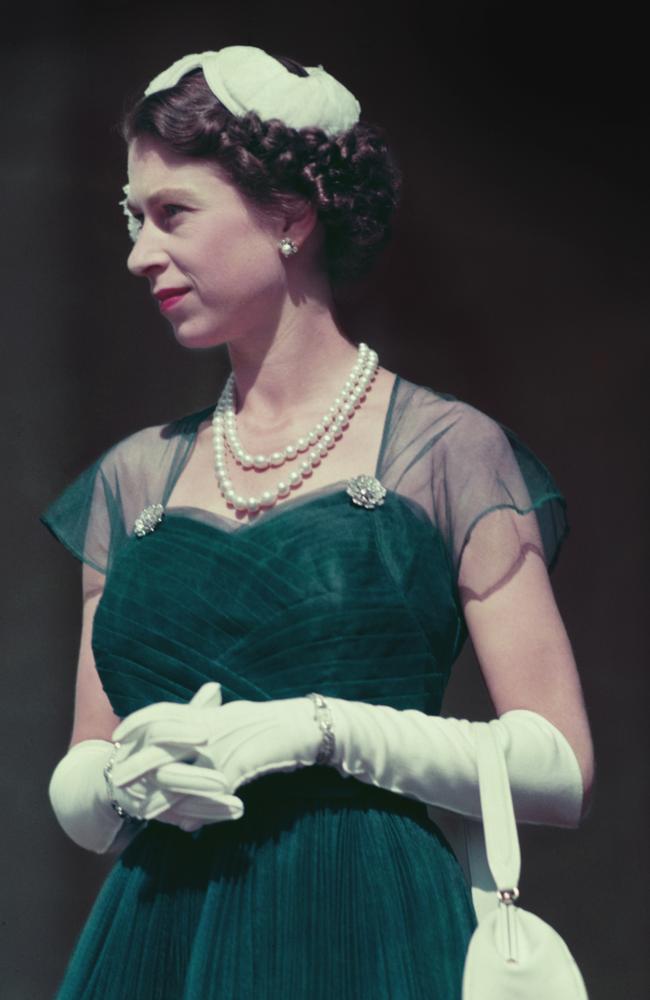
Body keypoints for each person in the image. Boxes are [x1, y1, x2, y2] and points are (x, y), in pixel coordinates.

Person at [41, 45, 595, 999]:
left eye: (172, 214)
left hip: (366, 928)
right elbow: (83, 787)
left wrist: (324, 731)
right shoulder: (134, 478)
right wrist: (127, 781)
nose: (139, 253)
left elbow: (559, 769)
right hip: (160, 937)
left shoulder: (446, 451)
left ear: (290, 214)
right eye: (134, 219)